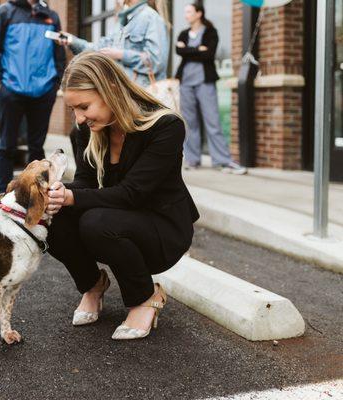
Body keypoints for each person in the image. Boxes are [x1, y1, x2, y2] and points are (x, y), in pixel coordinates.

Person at [45, 52, 199, 340]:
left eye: (84, 106)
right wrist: (53, 193)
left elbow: (133, 194)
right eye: (73, 109)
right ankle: (93, 285)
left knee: (96, 221)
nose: (79, 118)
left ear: (111, 90)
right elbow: (85, 182)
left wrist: (71, 198)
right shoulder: (86, 130)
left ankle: (145, 298)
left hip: (162, 230)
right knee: (53, 216)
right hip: (117, 220)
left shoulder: (165, 126)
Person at [0, 0, 66, 195]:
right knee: (7, 147)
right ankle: (2, 197)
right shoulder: (4, 12)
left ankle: (36, 195)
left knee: (36, 148)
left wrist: (55, 84)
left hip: (44, 91)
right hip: (11, 90)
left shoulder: (51, 16)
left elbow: (58, 53)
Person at [176, 3, 247, 174]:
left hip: (205, 82)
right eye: (185, 12)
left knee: (213, 121)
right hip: (185, 83)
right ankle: (192, 159)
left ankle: (223, 161)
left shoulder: (210, 32)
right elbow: (179, 52)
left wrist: (188, 49)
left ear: (198, 13)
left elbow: (209, 54)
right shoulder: (183, 33)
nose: (186, 15)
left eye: (189, 12)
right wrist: (197, 49)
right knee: (190, 123)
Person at [60, 0, 171, 88]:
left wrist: (120, 54)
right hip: (122, 93)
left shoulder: (151, 17)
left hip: (142, 96)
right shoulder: (122, 22)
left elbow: (156, 62)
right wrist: (72, 41)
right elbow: (98, 48)